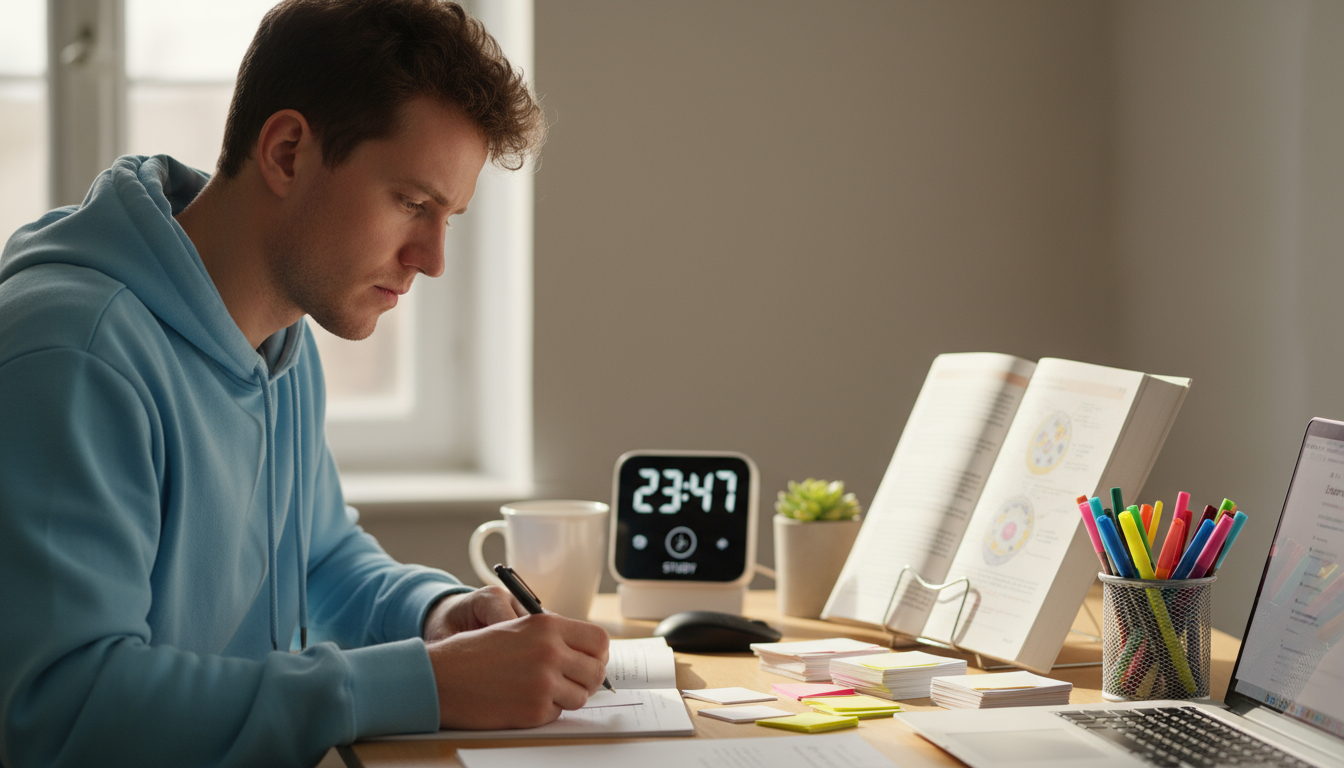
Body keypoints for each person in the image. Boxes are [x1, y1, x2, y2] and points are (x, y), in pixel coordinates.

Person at [0, 1, 609, 766]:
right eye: (412, 203)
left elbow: (318, 560)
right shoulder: (75, 357)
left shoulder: (281, 335)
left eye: (447, 216)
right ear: (287, 151)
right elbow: (61, 712)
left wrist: (437, 617)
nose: (432, 258)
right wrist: (422, 683)